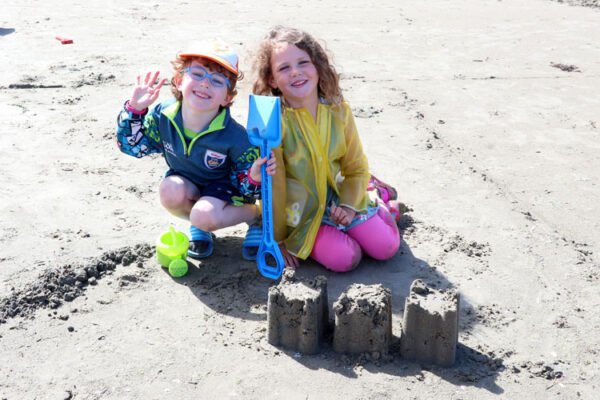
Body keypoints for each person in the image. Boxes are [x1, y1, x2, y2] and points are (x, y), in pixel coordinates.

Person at [252, 26, 401, 272]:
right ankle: (339, 229)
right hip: (302, 212)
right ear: (272, 80)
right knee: (345, 258)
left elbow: (355, 166)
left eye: (303, 62)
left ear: (318, 67)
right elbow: (274, 186)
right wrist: (277, 239)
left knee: (385, 247)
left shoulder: (338, 110)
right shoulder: (272, 122)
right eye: (284, 68)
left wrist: (349, 207)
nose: (295, 72)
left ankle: (378, 199)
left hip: (339, 197)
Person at [116, 39, 275, 260]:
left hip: (227, 193)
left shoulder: (235, 137)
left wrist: (254, 177)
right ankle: (200, 224)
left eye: (217, 80)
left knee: (204, 215)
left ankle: (255, 218)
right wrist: (134, 110)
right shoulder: (164, 116)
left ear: (227, 98)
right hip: (188, 183)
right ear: (179, 80)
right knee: (169, 190)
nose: (205, 84)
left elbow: (249, 190)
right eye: (198, 74)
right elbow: (133, 147)